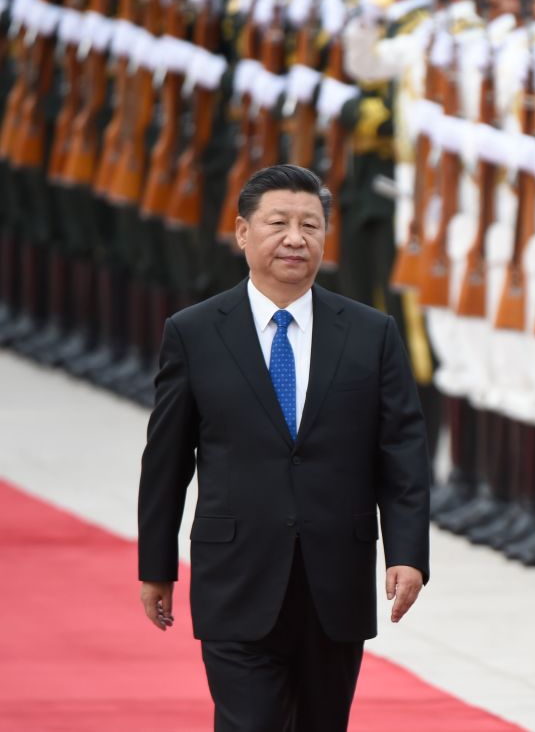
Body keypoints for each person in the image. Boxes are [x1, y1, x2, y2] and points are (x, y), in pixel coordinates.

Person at [136, 164, 431, 732]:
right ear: (243, 232)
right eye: (278, 223)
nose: (296, 238)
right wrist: (156, 565)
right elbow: (166, 462)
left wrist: (408, 552)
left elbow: (402, 454)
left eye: (311, 225)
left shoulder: (371, 334)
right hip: (236, 577)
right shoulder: (195, 333)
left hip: (334, 581)